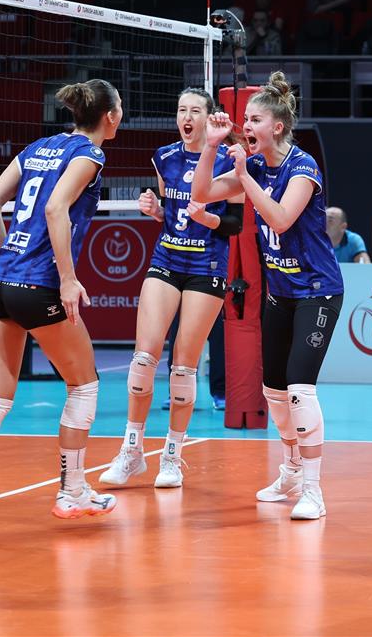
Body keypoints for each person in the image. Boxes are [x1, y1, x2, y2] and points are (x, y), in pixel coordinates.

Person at [0, 79, 123, 536]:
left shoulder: (38, 147)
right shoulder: (89, 155)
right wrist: (67, 279)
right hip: (38, 285)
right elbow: (56, 209)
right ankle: (72, 492)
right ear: (111, 116)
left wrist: (9, 256)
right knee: (84, 385)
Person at [191, 71, 344, 521]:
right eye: (245, 120)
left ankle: (313, 490)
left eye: (254, 120)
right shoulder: (255, 166)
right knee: (273, 391)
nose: (245, 126)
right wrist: (212, 147)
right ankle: (291, 470)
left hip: (317, 291)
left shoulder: (303, 167)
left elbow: (279, 219)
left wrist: (243, 174)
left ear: (277, 126)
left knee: (299, 387)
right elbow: (202, 192)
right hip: (280, 292)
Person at [99, 88, 244, 488]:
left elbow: (235, 224)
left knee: (183, 365)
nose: (187, 117)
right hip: (167, 259)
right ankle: (131, 452)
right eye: (181, 110)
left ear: (209, 118)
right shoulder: (164, 157)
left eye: (195, 110)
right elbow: (172, 215)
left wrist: (209, 220)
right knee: (143, 358)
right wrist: (156, 211)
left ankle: (171, 456)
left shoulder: (227, 161)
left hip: (206, 265)